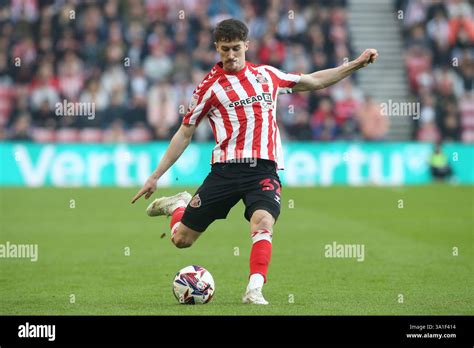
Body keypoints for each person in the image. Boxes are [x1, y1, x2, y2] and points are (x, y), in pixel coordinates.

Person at [131, 19, 378, 304]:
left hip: (263, 169)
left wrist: (355, 64)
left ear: (247, 45)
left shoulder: (267, 75)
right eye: (225, 49)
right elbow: (185, 133)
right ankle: (177, 206)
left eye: (236, 48)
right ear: (217, 48)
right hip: (224, 171)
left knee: (263, 222)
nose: (231, 55)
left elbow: (313, 80)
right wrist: (155, 175)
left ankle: (254, 288)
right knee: (182, 240)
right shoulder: (209, 88)